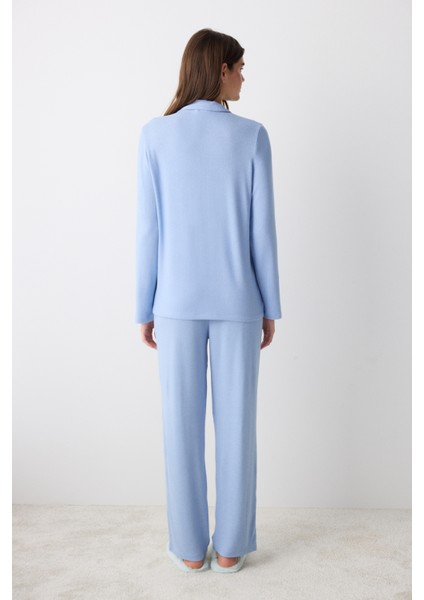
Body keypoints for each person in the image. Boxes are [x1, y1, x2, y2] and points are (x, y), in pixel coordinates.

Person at [135, 28, 282, 573]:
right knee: (238, 427)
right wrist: (269, 306)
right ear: (221, 69)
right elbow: (262, 233)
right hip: (239, 302)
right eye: (240, 67)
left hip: (174, 302)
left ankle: (190, 550)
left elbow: (148, 231)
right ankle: (230, 548)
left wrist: (143, 307)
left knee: (180, 427)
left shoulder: (155, 135)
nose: (244, 76)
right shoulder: (252, 136)